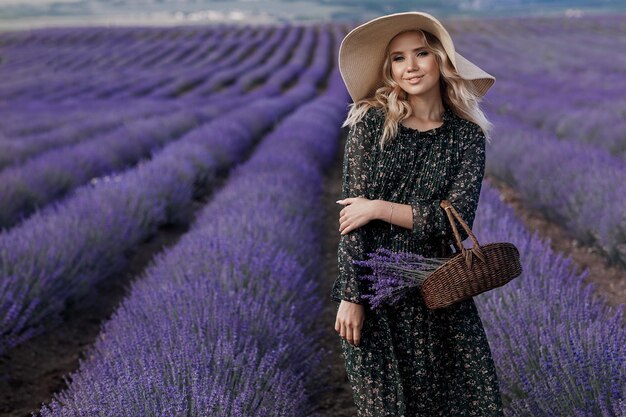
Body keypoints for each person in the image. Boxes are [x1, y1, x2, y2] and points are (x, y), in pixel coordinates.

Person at [330, 11, 505, 417]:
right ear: (388, 69)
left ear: (441, 60)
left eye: (421, 53)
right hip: (375, 297)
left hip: (439, 291)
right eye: (398, 57)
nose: (410, 66)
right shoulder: (371, 123)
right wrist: (352, 296)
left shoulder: (466, 136)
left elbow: (455, 221)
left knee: (466, 405)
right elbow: (350, 222)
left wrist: (378, 208)